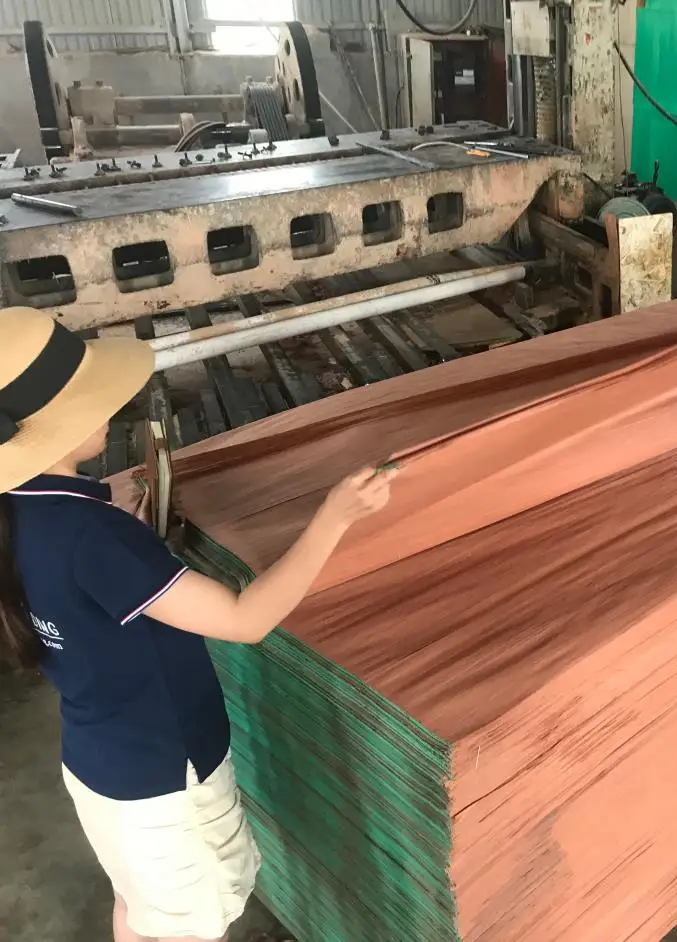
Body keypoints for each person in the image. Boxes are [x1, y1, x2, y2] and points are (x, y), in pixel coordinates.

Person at [0, 305, 399, 941]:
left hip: (100, 769)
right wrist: (336, 516)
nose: (108, 411)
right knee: (191, 926)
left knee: (137, 904)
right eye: (89, 401)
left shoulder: (23, 514)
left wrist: (134, 542)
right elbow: (246, 619)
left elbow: (82, 582)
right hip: (165, 784)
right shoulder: (93, 537)